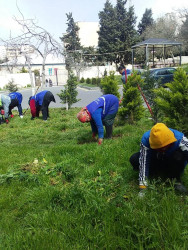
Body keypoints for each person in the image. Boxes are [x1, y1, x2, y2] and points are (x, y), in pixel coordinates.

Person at [130, 123, 188, 195]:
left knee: (178, 156)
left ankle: (175, 180)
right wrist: (143, 188)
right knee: (134, 158)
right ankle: (154, 173)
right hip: (156, 159)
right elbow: (144, 161)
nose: (163, 150)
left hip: (172, 162)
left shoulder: (181, 139)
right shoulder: (146, 139)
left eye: (166, 147)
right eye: (160, 148)